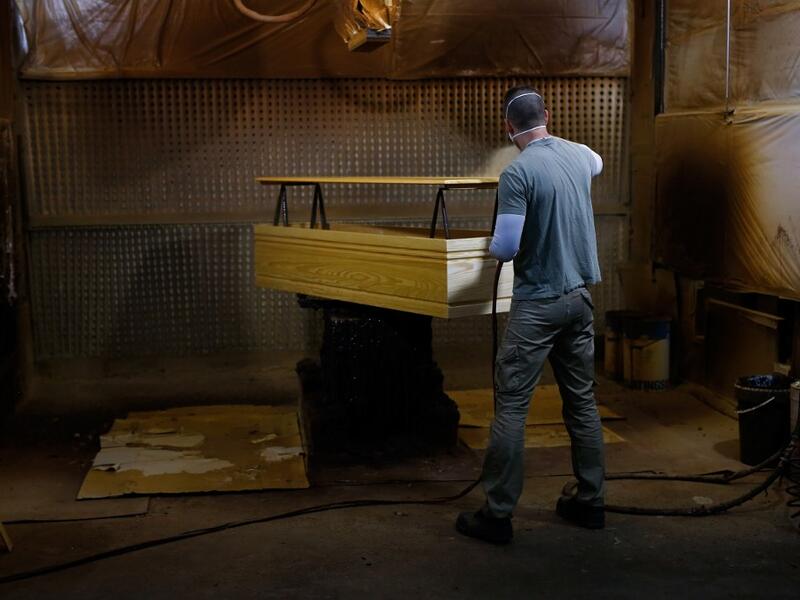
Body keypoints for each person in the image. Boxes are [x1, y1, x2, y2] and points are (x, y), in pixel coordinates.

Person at [456, 86, 607, 544]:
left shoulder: (517, 174)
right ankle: (590, 502)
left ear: (508, 128)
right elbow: (595, 160)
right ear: (547, 114)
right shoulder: (580, 155)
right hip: (579, 299)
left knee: (512, 406)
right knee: (581, 401)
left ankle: (498, 515)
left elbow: (505, 247)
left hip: (538, 305)